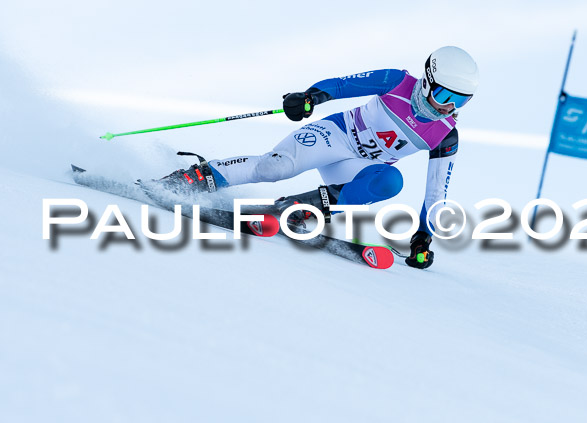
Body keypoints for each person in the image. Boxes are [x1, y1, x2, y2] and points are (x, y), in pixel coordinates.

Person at [156, 46, 479, 269]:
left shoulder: (446, 135)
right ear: (427, 80)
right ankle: (192, 178)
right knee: (274, 167)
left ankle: (296, 208)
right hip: (334, 136)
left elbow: (436, 195)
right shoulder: (397, 81)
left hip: (356, 168)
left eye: (459, 102)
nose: (446, 106)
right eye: (443, 95)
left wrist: (423, 238)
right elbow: (341, 86)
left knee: (389, 181)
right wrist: (310, 97)